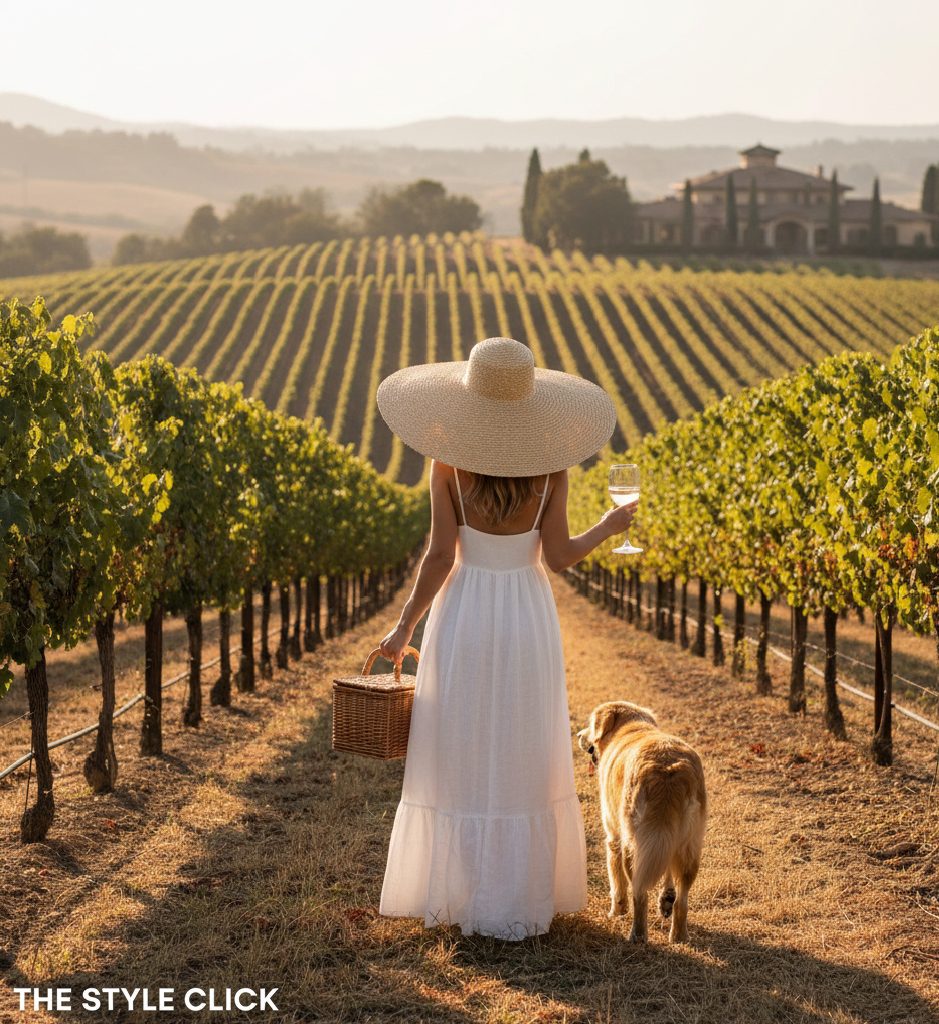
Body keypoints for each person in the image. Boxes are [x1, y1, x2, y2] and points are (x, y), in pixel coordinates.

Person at [374, 336, 636, 941]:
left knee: (461, 739)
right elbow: (563, 557)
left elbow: (439, 558)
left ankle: (463, 891)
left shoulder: (446, 467)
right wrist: (612, 524)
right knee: (520, 738)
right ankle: (518, 891)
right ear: (528, 406)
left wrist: (404, 624)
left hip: (464, 609)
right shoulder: (551, 472)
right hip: (525, 612)